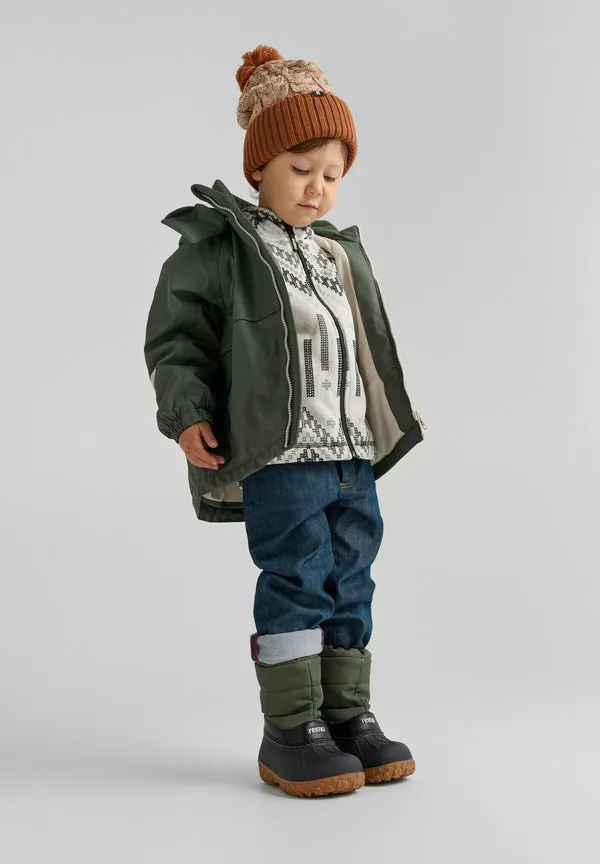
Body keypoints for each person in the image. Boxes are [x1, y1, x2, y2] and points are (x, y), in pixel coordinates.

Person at [143, 44, 427, 798]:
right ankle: (291, 730)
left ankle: (347, 716)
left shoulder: (335, 254)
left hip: (352, 453)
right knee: (298, 577)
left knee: (352, 577)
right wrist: (187, 413)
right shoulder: (221, 249)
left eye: (332, 174)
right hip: (284, 452)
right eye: (301, 168)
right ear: (260, 167)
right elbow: (178, 341)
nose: (317, 187)